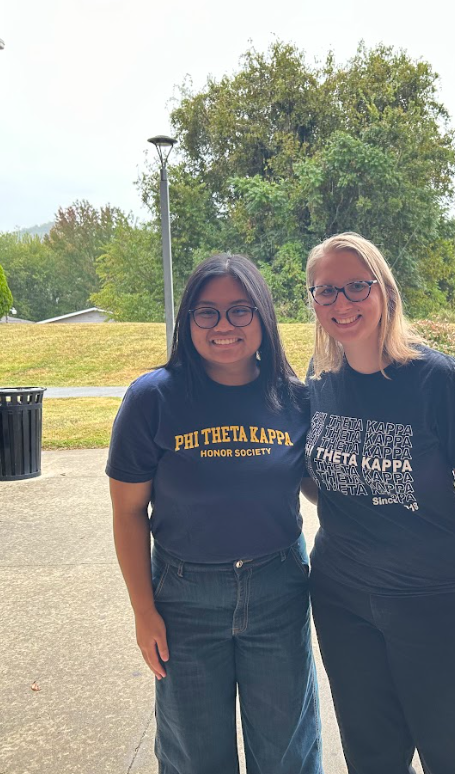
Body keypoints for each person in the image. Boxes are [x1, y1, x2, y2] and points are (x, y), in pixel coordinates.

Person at [106, 254, 322, 774]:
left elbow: (323, 486)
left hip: (278, 591)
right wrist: (143, 610)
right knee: (194, 756)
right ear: (188, 321)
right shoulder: (152, 399)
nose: (224, 326)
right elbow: (128, 513)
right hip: (183, 599)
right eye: (207, 313)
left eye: (240, 310)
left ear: (263, 318)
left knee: (287, 754)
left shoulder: (295, 399)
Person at [302, 232, 455, 774]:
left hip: (434, 603)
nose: (342, 304)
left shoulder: (434, 379)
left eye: (355, 287)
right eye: (326, 292)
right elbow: (325, 480)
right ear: (313, 302)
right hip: (342, 599)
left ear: (384, 292)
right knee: (371, 756)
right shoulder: (319, 379)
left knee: (453, 755)